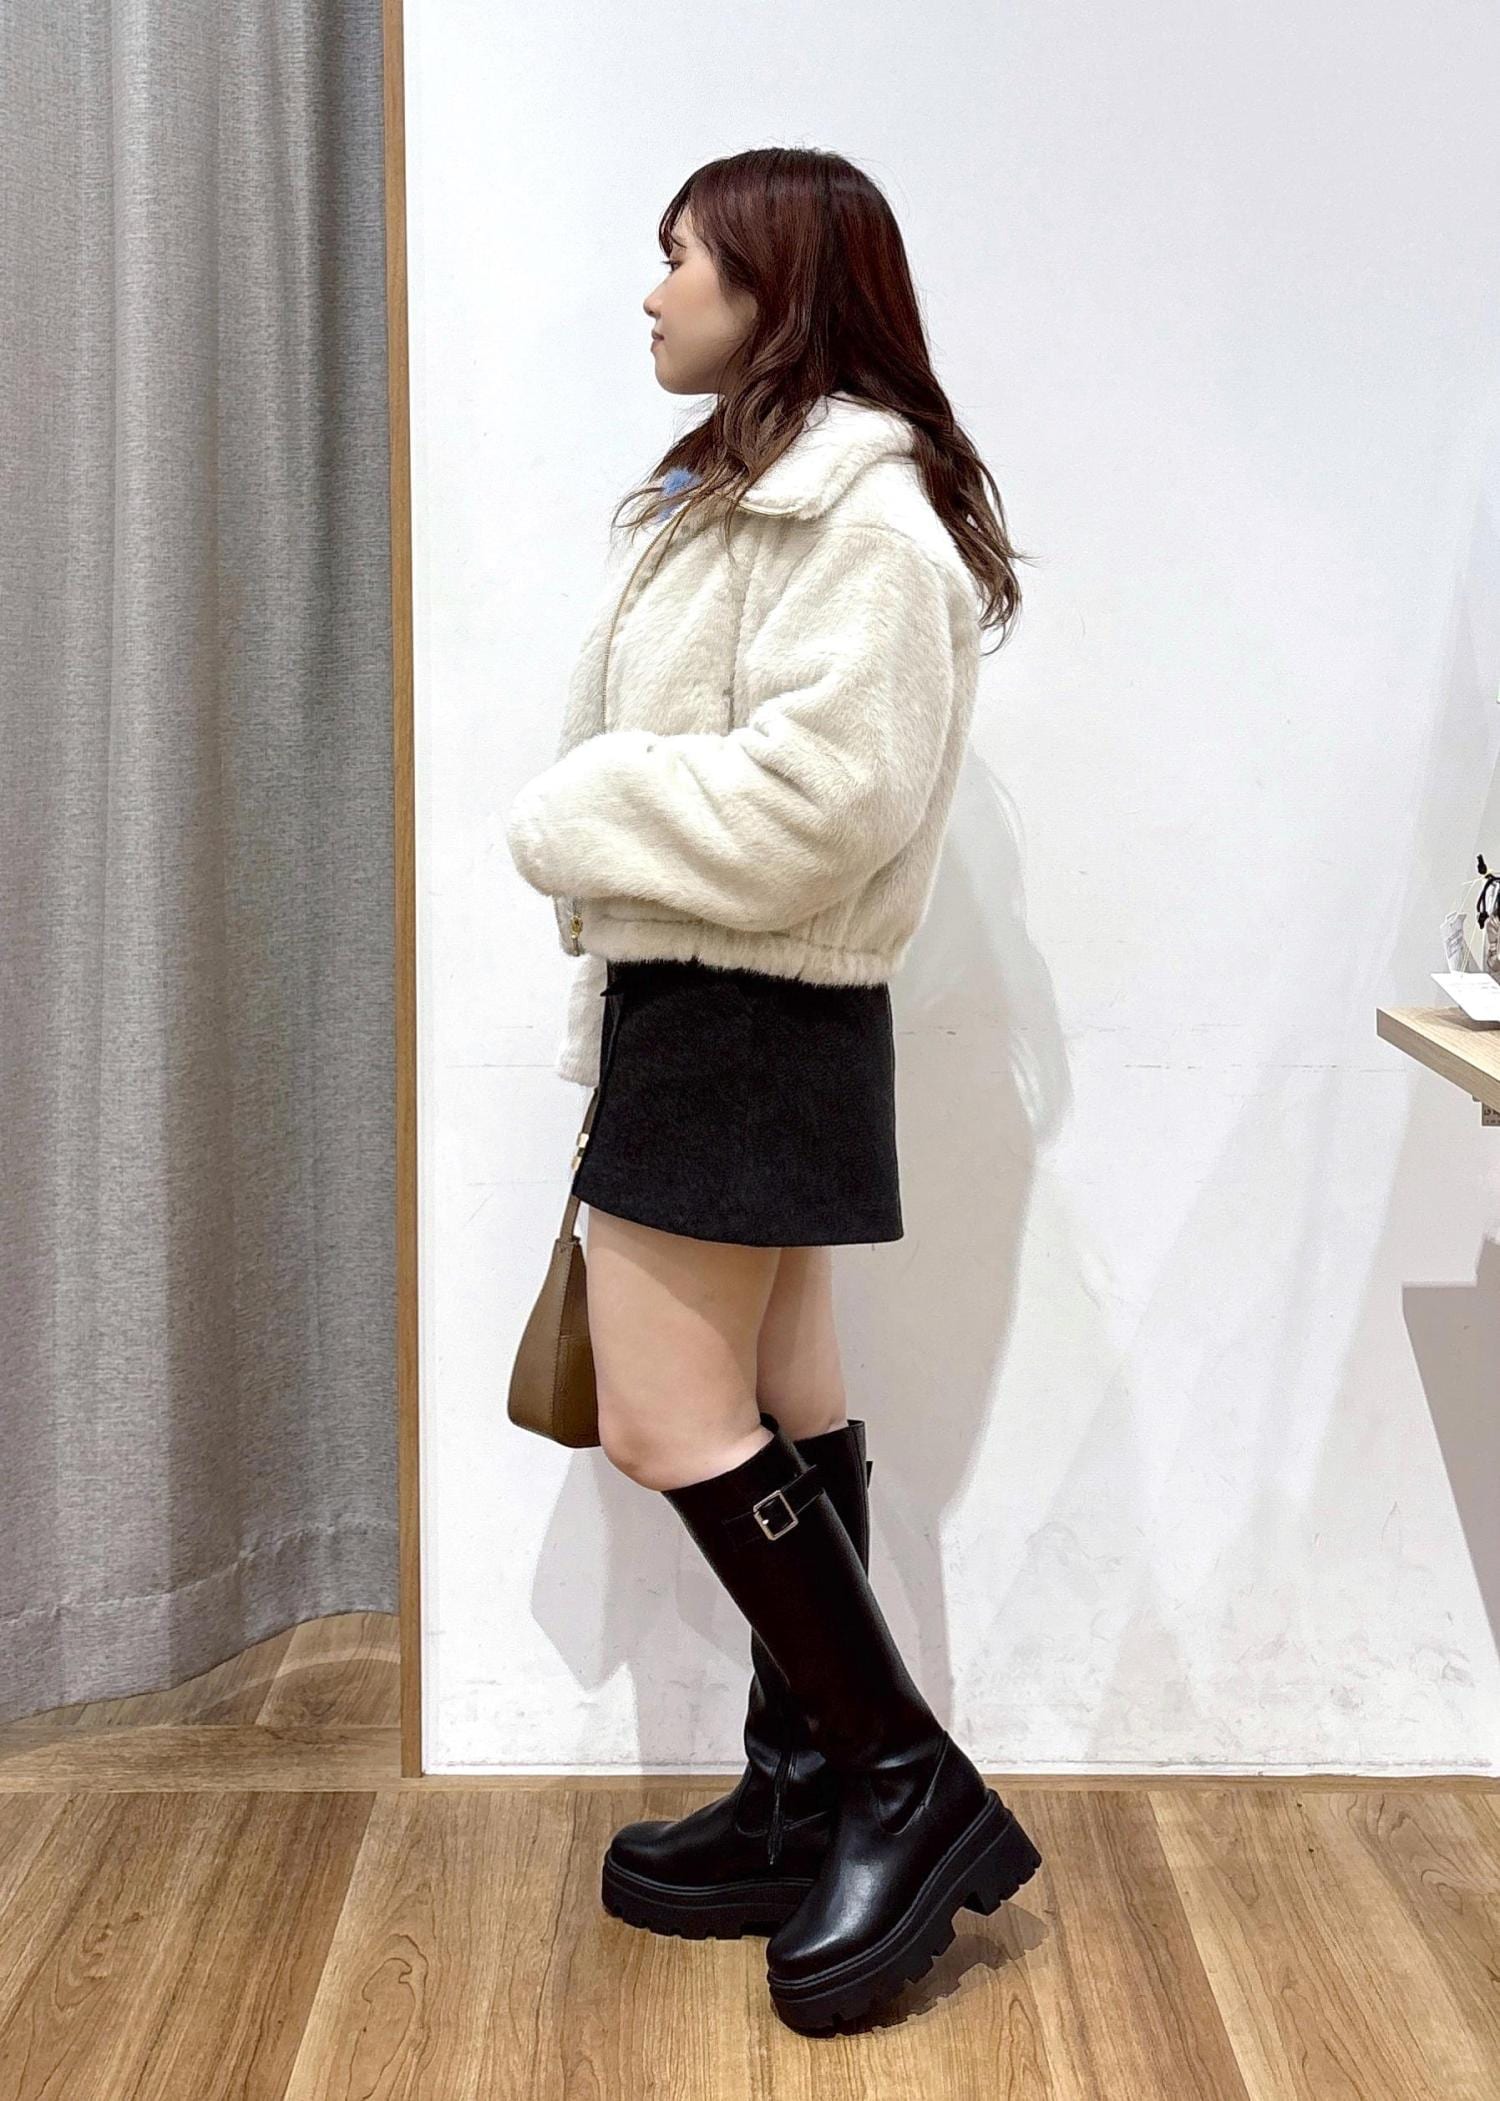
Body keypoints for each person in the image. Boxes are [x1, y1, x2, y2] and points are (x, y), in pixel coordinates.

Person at [504, 146, 1041, 2034]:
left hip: (748, 1012)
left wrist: (579, 811)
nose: (651, 292)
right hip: (731, 1007)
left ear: (775, 286)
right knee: (788, 1404)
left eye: (681, 259)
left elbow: (833, 796)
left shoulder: (856, 519)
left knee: (667, 1421)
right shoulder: (753, 493)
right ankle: (808, 1787)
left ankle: (904, 1781)